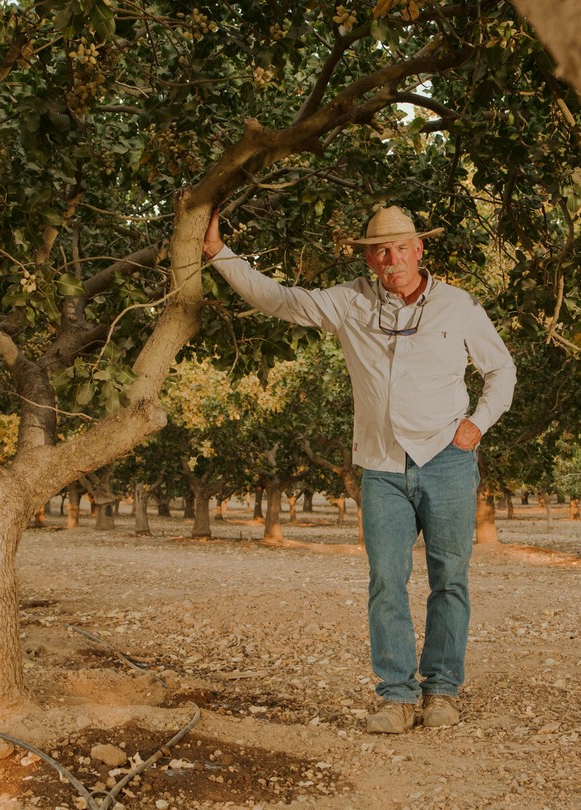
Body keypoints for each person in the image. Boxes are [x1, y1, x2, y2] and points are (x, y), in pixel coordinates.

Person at [203, 205, 516, 733]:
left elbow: (501, 369)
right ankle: (396, 697)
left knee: (450, 580)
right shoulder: (349, 302)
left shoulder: (457, 306)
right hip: (382, 467)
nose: (391, 259)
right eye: (379, 250)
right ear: (368, 257)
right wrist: (218, 254)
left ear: (420, 249)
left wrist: (478, 424)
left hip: (447, 459)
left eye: (400, 248)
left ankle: (441, 691)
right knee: (386, 582)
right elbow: (280, 300)